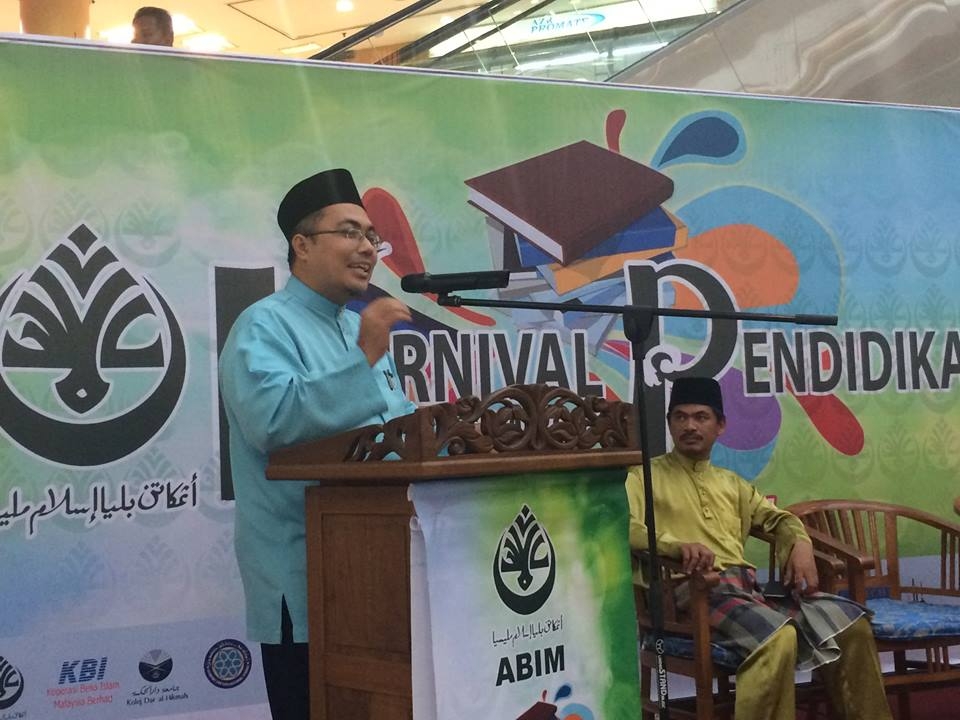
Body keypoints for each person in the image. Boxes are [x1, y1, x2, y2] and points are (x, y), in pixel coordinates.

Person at [219, 168, 416, 720]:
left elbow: (396, 433)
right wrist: (366, 356)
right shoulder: (262, 326)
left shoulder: (356, 329)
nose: (368, 248)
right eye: (350, 232)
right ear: (301, 245)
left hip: (382, 573)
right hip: (306, 581)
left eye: (372, 236)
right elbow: (273, 422)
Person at [626, 377, 892, 720]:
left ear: (720, 425)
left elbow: (780, 519)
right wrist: (674, 546)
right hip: (685, 593)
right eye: (680, 416)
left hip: (744, 591)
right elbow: (625, 527)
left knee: (850, 627)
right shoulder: (643, 478)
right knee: (777, 639)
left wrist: (800, 544)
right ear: (670, 423)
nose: (690, 426)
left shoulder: (733, 484)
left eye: (701, 417)